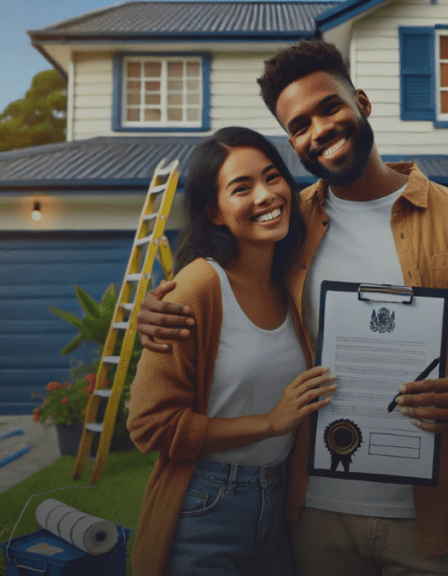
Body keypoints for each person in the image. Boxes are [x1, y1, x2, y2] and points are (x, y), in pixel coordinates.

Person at [136, 40, 448, 576]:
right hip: (310, 514)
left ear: (362, 103)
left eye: (329, 107)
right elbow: (224, 279)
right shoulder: (285, 226)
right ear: (292, 142)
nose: (318, 129)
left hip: (430, 513)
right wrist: (159, 310)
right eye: (298, 125)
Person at [126, 126, 338, 576]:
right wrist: (270, 423)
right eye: (242, 188)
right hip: (207, 503)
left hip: (280, 502)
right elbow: (149, 426)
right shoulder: (199, 285)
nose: (265, 196)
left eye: (272, 177)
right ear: (215, 213)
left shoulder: (292, 282)